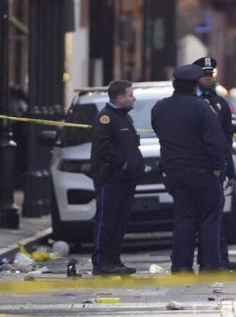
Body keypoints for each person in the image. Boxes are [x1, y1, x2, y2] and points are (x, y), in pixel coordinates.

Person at [151, 64, 227, 273]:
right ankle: (210, 264)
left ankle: (181, 265)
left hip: (174, 171)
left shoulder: (160, 107)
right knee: (209, 218)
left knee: (184, 217)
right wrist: (217, 166)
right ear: (195, 85)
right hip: (201, 171)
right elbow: (215, 140)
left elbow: (159, 131)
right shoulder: (202, 107)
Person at [89, 80, 144, 276]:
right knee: (107, 220)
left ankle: (114, 260)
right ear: (120, 98)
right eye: (130, 95)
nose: (133, 98)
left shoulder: (123, 117)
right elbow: (104, 149)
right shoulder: (105, 118)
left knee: (121, 220)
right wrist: (124, 163)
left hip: (126, 179)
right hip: (112, 179)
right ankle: (101, 261)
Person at [192, 56, 236, 272]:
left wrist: (231, 171)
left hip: (217, 168)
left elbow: (227, 139)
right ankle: (207, 260)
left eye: (210, 75)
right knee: (198, 217)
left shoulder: (220, 103)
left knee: (216, 215)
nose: (208, 79)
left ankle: (218, 259)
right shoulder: (190, 100)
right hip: (196, 167)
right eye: (204, 75)